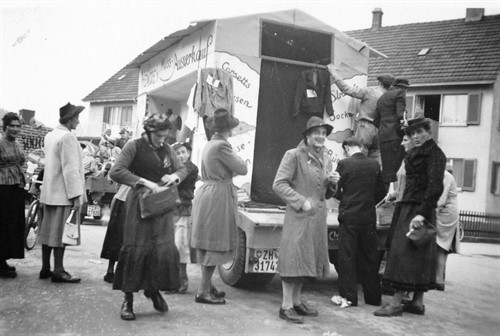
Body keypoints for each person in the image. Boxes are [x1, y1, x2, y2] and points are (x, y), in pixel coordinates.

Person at [109, 112, 187, 321]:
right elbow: (116, 171)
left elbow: (182, 169)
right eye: (160, 136)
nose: (163, 140)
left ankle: (153, 290)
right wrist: (144, 182)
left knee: (160, 250)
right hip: (139, 206)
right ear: (149, 132)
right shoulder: (133, 146)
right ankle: (128, 300)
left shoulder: (167, 148)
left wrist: (174, 177)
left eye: (165, 136)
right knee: (136, 248)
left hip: (161, 207)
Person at [374, 117, 446, 317]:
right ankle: (417, 303)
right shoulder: (419, 152)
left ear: (428, 133)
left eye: (419, 132)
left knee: (402, 254)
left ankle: (396, 304)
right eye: (412, 133)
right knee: (417, 256)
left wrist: (422, 214)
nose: (414, 137)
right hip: (411, 207)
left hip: (417, 211)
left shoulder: (434, 154)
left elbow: (435, 187)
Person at [272, 116, 337, 324]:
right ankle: (286, 306)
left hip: (317, 217)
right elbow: (279, 184)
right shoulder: (293, 155)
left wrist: (332, 183)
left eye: (324, 133)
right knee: (293, 258)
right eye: (316, 132)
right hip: (299, 216)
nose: (321, 137)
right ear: (307, 136)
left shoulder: (326, 157)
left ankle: (297, 302)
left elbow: (324, 192)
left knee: (306, 259)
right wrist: (300, 201)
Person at [191, 108, 248, 305]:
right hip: (218, 196)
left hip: (210, 193)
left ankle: (207, 286)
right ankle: (203, 291)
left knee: (209, 243)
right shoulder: (222, 146)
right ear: (228, 129)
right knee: (214, 244)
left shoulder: (211, 144)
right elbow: (242, 168)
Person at [332, 136, 386, 307]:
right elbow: (382, 192)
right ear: (361, 147)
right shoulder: (374, 164)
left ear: (347, 148)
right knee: (370, 256)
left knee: (347, 257)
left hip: (349, 216)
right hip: (368, 217)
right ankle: (373, 298)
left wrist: (345, 197)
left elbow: (336, 190)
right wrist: (368, 202)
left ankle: (349, 298)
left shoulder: (344, 164)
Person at [39, 102, 86, 283]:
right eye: (77, 117)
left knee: (47, 232)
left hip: (49, 193)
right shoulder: (68, 137)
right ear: (70, 119)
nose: (78, 121)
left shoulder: (50, 135)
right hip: (63, 195)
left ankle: (45, 268)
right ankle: (58, 270)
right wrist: (76, 195)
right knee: (62, 234)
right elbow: (70, 169)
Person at [327, 64, 394, 163]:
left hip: (365, 128)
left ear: (379, 82)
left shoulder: (370, 91)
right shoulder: (391, 98)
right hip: (381, 131)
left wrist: (334, 73)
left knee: (359, 159)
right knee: (375, 163)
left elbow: (347, 89)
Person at [166, 141, 199, 294]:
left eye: (183, 152)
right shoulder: (173, 169)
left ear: (189, 153)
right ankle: (171, 280)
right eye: (177, 153)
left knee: (180, 245)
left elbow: (179, 177)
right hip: (169, 209)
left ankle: (182, 280)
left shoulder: (191, 168)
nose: (181, 155)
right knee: (170, 245)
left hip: (183, 209)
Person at [0, 112, 26, 278]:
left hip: (16, 186)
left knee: (13, 225)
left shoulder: (17, 144)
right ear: (5, 126)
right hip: (2, 187)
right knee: (2, 224)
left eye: (18, 126)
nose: (15, 129)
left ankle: (2, 260)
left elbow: (21, 161)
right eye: (12, 126)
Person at [374, 78, 410, 189]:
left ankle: (383, 198)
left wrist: (385, 129)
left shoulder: (381, 98)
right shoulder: (400, 94)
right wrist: (405, 130)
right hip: (396, 135)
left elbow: (376, 120)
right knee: (400, 169)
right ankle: (398, 197)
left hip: (384, 137)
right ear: (403, 88)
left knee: (387, 171)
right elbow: (401, 115)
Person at [435, 167, 460, 291]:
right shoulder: (442, 175)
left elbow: (441, 199)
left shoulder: (445, 176)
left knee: (440, 246)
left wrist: (431, 213)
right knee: (441, 247)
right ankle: (438, 279)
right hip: (446, 211)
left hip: (446, 213)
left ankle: (438, 279)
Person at [100, 184, 129, 284]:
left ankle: (111, 271)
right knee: (117, 235)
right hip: (125, 199)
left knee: (116, 235)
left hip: (122, 198)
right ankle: (113, 271)